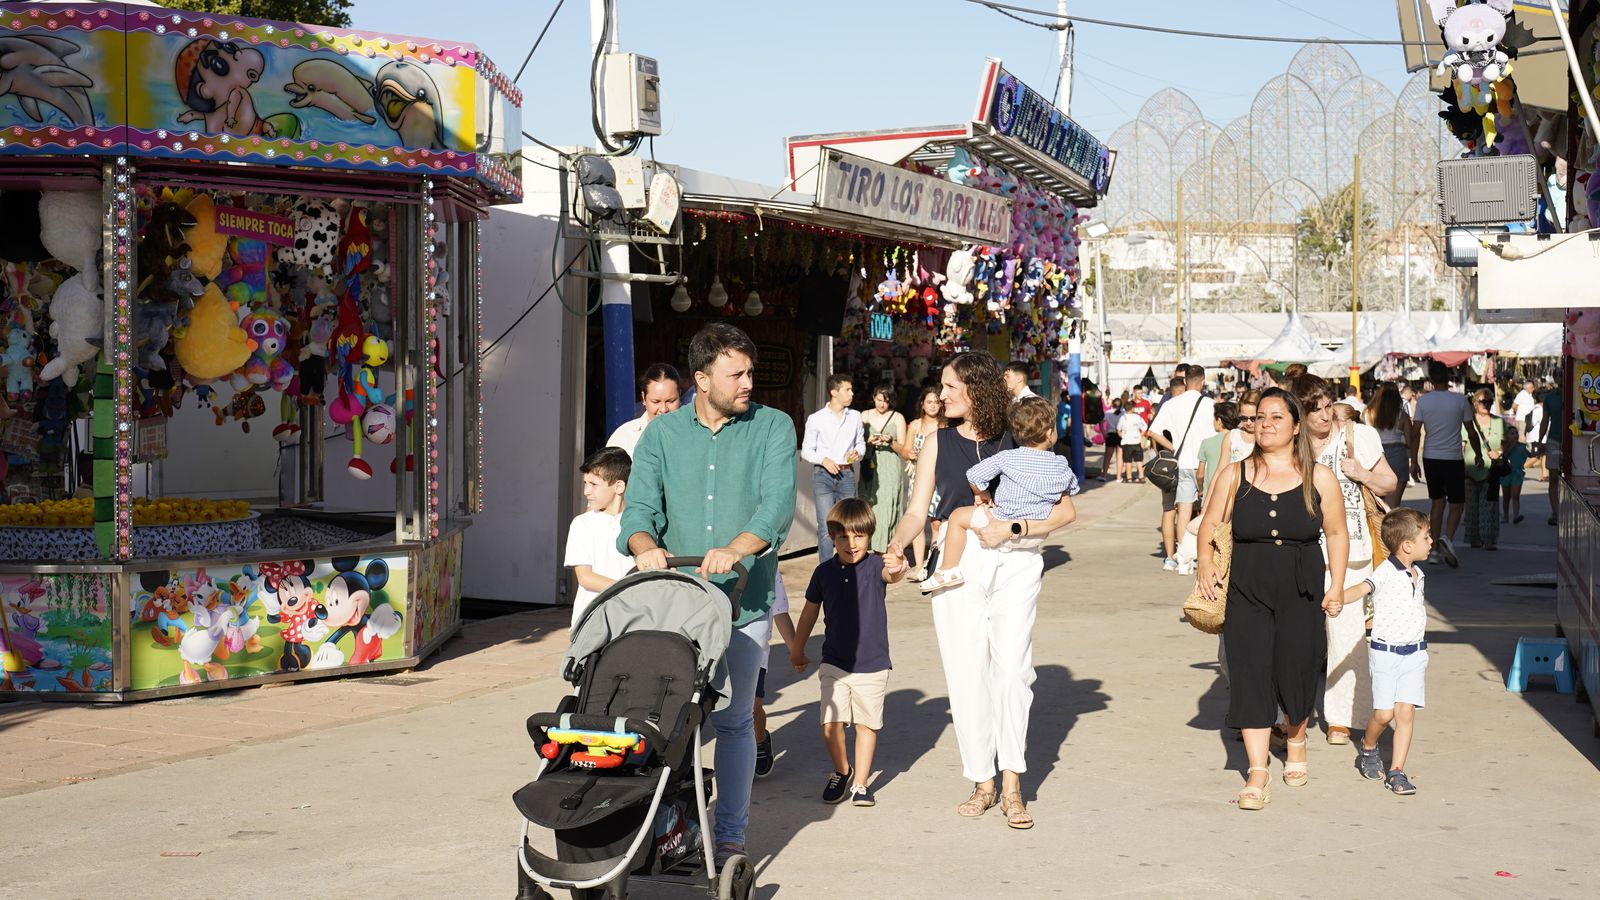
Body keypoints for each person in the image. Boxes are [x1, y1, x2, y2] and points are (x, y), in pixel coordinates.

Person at [619, 322, 798, 867]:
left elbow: (776, 506)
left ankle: (731, 835)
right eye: (736, 374)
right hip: (677, 602)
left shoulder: (773, 427)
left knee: (735, 719)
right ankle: (666, 825)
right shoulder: (663, 435)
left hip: (744, 602)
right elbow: (639, 509)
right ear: (701, 379)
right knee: (667, 721)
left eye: (750, 372)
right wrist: (645, 545)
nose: (749, 383)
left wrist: (737, 548)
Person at [887, 352, 1078, 830]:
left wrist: (1013, 527)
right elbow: (916, 511)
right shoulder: (935, 441)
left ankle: (1013, 781)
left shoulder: (1019, 435)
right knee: (966, 674)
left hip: (1018, 559)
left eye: (951, 386)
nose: (942, 395)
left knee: (1013, 672)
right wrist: (894, 547)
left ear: (976, 389)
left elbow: (1063, 512)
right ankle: (982, 780)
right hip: (960, 559)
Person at [1193, 388, 1349, 810]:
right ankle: (1257, 770)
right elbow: (1209, 524)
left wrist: (1335, 585)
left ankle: (1295, 737)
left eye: (1277, 417)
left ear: (1296, 426)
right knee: (1250, 672)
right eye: (1260, 417)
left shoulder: (1319, 477)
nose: (1265, 424)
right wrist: (1205, 563)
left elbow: (1336, 532)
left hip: (1302, 586)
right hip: (1248, 587)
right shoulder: (1234, 475)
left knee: (1297, 667)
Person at [1291, 373, 1398, 747]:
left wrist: (1364, 474)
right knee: (1297, 638)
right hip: (1300, 553)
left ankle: (1343, 716)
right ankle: (1290, 713)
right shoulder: (1292, 443)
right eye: (1314, 410)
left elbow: (1390, 483)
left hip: (1352, 551)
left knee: (1346, 634)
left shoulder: (1357, 436)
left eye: (1327, 405)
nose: (1324, 416)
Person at [790, 498, 907, 807]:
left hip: (872, 664)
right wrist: (797, 649)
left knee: (866, 725)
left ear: (870, 536)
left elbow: (894, 574)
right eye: (843, 536)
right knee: (830, 725)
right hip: (835, 661)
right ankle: (842, 770)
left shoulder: (876, 565)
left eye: (859, 536)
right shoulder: (823, 572)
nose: (851, 543)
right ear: (831, 537)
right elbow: (808, 614)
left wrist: (899, 564)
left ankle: (861, 783)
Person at [919, 396, 1079, 593]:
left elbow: (973, 475)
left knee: (958, 516)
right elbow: (1072, 488)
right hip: (1034, 533)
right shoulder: (1061, 464)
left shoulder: (1007, 457)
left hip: (999, 519)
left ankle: (947, 569)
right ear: (1049, 433)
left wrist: (982, 492)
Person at [1343, 507, 1433, 796]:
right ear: (1408, 545)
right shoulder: (1385, 571)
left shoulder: (1418, 573)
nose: (1431, 542)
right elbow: (1362, 588)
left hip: (1414, 654)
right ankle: (1368, 748)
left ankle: (1397, 771)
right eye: (1426, 537)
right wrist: (1335, 598)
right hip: (1385, 654)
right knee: (1384, 714)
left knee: (1405, 713)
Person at [1149, 365, 1214, 572]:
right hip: (1206, 463)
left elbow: (1153, 432)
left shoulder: (1171, 404)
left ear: (1185, 381)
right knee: (1207, 511)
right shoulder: (1211, 405)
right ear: (1202, 381)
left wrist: (1174, 447)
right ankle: (1204, 556)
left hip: (1183, 463)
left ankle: (1183, 558)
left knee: (1183, 511)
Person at [562, 447, 634, 629]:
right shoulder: (582, 524)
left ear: (619, 486)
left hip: (632, 620)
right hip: (591, 623)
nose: (586, 491)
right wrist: (631, 590)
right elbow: (585, 578)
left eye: (593, 484)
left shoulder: (639, 524)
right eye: (585, 483)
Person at [1410, 361, 1472, 567]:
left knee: (1437, 502)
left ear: (1431, 380)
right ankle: (1448, 538)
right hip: (1453, 457)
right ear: (1449, 376)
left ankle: (1434, 548)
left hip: (1430, 457)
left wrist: (1413, 461)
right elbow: (1471, 431)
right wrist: (1479, 454)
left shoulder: (1423, 402)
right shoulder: (1460, 400)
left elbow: (1415, 432)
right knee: (1457, 504)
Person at [801, 373, 865, 562]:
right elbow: (806, 451)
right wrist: (824, 460)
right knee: (826, 526)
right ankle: (826, 569)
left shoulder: (855, 416)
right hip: (823, 475)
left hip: (846, 474)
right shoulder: (816, 418)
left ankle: (850, 564)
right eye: (847, 389)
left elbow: (860, 444)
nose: (852, 393)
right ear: (834, 392)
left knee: (850, 524)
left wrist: (857, 453)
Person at [754, 572, 800, 779]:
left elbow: (780, 612)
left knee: (753, 707)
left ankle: (759, 740)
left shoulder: (767, 567)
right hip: (714, 651)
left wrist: (795, 650)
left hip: (753, 651)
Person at [901, 386, 945, 579]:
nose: (933, 405)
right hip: (918, 478)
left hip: (939, 478)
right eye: (929, 402)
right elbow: (905, 450)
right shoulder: (915, 425)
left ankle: (933, 562)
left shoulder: (945, 426)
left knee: (936, 522)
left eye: (936, 402)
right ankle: (919, 564)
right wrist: (909, 454)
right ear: (922, 405)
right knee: (917, 520)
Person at [859, 384, 907, 553]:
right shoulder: (864, 415)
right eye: (879, 400)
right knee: (868, 504)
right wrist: (868, 440)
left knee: (888, 505)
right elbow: (856, 443)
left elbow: (904, 450)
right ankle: (866, 545)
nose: (882, 404)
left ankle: (883, 548)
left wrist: (891, 441)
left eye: (886, 401)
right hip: (870, 464)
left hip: (890, 465)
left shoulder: (897, 417)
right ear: (873, 398)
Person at [605, 363, 682, 457]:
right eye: (656, 401)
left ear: (680, 396)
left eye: (670, 401)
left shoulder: (696, 435)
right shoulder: (623, 438)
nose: (663, 409)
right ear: (644, 398)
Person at [1463, 389, 1506, 551]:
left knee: (1490, 506)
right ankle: (1474, 538)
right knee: (1472, 507)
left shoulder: (1498, 422)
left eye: (1489, 402)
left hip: (1491, 469)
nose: (1486, 405)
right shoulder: (1468, 422)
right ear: (1475, 403)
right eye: (1482, 402)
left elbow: (1506, 442)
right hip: (1470, 469)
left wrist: (1500, 452)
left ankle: (1489, 539)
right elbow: (1462, 445)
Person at [1366, 383, 1412, 508]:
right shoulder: (1403, 415)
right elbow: (1409, 441)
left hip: (1374, 455)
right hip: (1398, 455)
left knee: (1375, 504)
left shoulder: (1368, 413)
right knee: (1392, 506)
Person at [1541, 385, 1563, 525]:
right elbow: (1545, 420)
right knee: (1553, 477)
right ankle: (1555, 513)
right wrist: (1539, 440)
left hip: (1574, 439)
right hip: (1554, 440)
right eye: (1557, 374)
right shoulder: (1550, 398)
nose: (1560, 377)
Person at [1501, 424, 1528, 525]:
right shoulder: (1504, 445)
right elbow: (1504, 455)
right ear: (1506, 436)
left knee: (1515, 495)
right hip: (1506, 473)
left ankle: (1516, 516)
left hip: (1517, 473)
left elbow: (1529, 454)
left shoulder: (1521, 446)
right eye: (1512, 433)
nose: (1515, 435)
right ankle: (1505, 516)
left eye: (1516, 433)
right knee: (1506, 497)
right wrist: (1511, 445)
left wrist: (1538, 451)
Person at [1117, 399, 1149, 483]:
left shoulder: (1123, 418)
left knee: (1128, 460)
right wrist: (1141, 434)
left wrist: (1120, 434)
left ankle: (1129, 478)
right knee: (1139, 460)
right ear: (1133, 408)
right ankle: (1141, 476)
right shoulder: (1138, 417)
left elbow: (1118, 428)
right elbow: (1145, 427)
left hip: (1127, 441)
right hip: (1136, 440)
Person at [1103, 397, 1125, 482]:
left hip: (1110, 435)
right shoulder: (1123, 413)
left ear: (1112, 404)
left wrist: (1103, 432)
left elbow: (1101, 422)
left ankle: (1104, 475)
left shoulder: (1107, 412)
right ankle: (1118, 477)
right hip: (1120, 435)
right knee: (1119, 457)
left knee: (1107, 457)